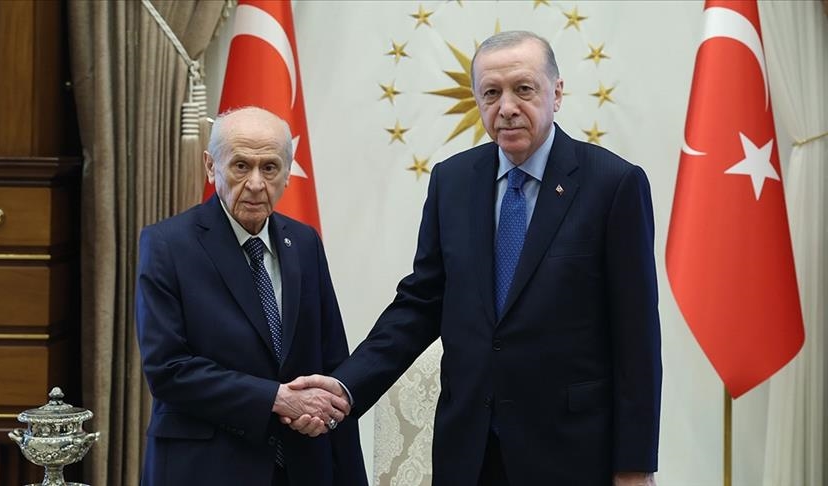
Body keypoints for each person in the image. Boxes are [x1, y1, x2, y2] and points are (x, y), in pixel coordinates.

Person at [287, 31, 661, 485]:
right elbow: (420, 304)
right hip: (469, 452)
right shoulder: (453, 181)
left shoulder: (613, 184)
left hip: (572, 453)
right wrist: (347, 386)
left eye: (523, 89)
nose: (506, 107)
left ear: (557, 92)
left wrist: (634, 466)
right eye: (491, 93)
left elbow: (637, 338)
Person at [135, 107, 367, 486]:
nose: (256, 183)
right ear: (211, 167)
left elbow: (331, 358)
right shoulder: (167, 245)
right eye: (241, 166)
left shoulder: (304, 242)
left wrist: (330, 431)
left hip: (302, 464)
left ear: (287, 174)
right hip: (206, 467)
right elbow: (168, 369)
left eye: (270, 168)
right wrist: (276, 398)